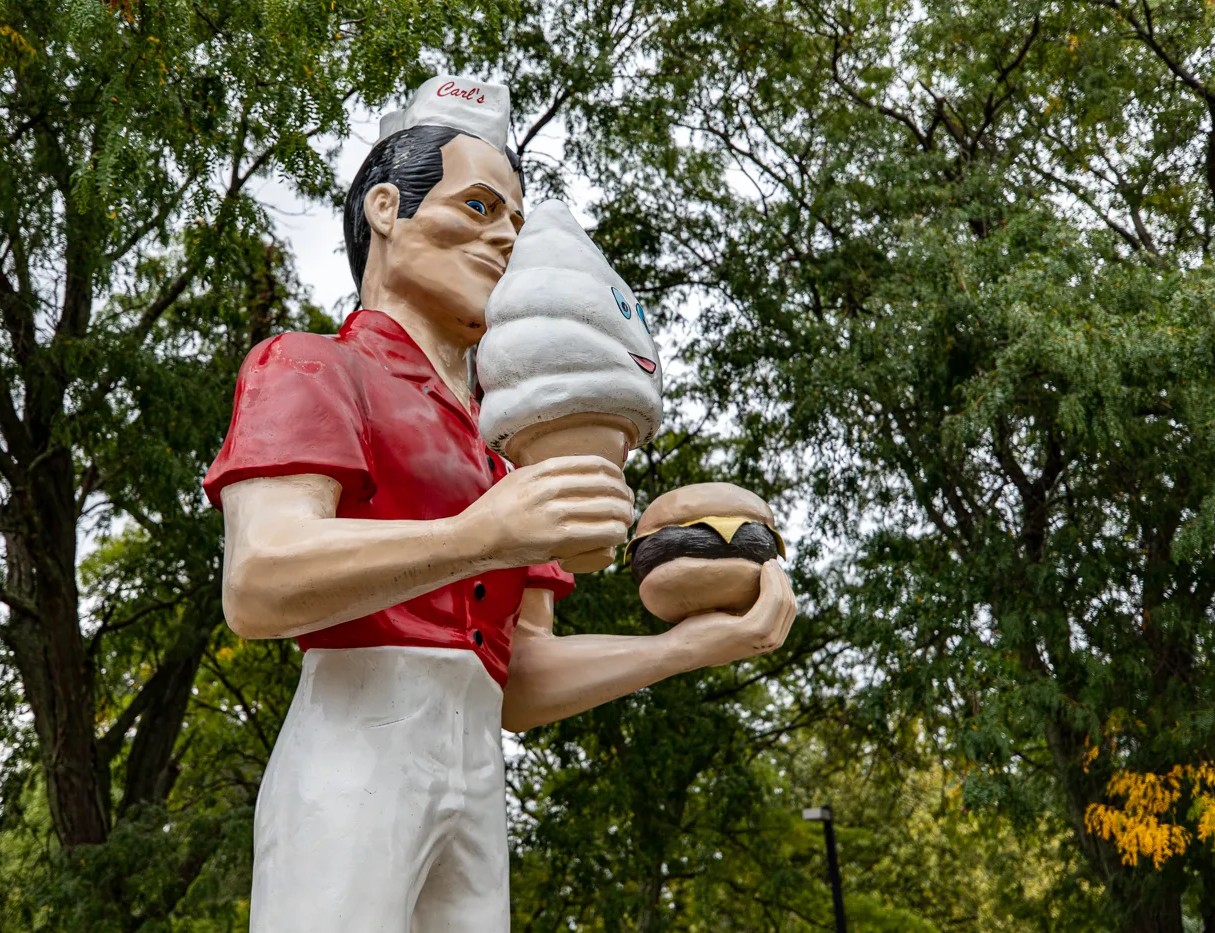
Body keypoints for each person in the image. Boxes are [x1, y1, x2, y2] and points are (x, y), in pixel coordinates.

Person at [202, 74, 798, 933]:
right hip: (351, 755)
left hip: (478, 774)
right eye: (479, 206)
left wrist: (697, 643)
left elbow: (517, 678)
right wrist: (482, 533)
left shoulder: (508, 444)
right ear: (383, 209)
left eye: (515, 223)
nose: (503, 239)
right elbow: (259, 581)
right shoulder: (311, 366)